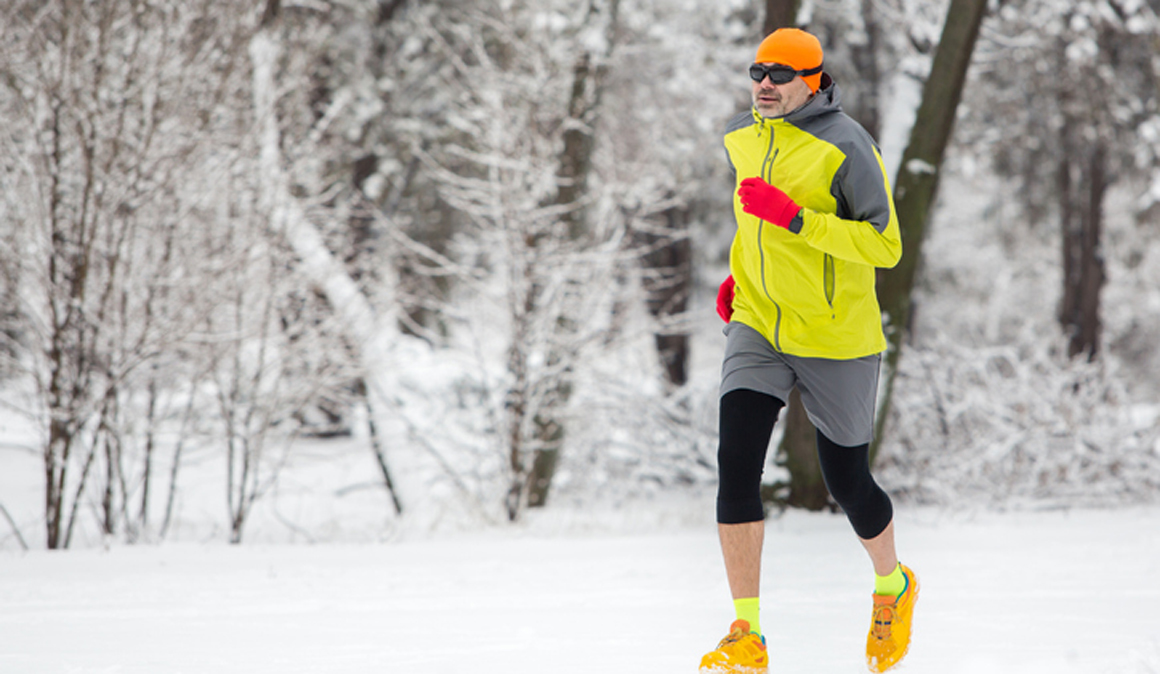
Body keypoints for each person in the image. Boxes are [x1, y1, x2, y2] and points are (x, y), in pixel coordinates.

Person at [699, 28, 918, 674]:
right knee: (736, 461)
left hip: (835, 335)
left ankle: (892, 586)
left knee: (847, 480)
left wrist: (797, 218)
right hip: (760, 325)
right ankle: (748, 634)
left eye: (782, 74)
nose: (765, 83)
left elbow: (884, 246)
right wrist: (742, 276)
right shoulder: (742, 136)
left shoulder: (849, 145)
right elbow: (750, 226)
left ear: (815, 81)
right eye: (757, 71)